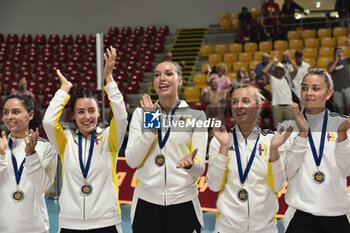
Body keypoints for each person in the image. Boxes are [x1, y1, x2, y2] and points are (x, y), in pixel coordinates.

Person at [42, 47, 128, 232]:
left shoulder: (109, 138)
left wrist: (109, 79)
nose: (87, 116)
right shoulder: (65, 141)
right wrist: (64, 91)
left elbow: (121, 117)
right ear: (73, 115)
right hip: (69, 224)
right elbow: (48, 122)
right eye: (80, 111)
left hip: (106, 222)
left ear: (98, 112)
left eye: (91, 110)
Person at [125, 61, 208, 233]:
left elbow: (200, 169)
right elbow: (132, 161)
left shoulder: (197, 116)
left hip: (184, 203)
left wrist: (191, 165)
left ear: (180, 80)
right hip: (146, 205)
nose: (162, 78)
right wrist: (150, 130)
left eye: (169, 73)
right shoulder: (141, 114)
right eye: (157, 74)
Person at [207, 84, 292, 233]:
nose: (239, 106)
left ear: (258, 107)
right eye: (234, 102)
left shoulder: (272, 140)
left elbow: (278, 186)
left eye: (245, 101)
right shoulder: (220, 141)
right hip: (226, 228)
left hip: (265, 229)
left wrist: (274, 150)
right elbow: (214, 185)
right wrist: (224, 147)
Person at [278, 69, 350, 233]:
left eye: (315, 88)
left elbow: (346, 169)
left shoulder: (342, 124)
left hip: (337, 213)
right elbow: (288, 171)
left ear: (328, 93)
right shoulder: (286, 127)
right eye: (304, 88)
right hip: (301, 214)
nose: (308, 93)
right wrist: (303, 135)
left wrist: (342, 138)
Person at [0, 94, 57, 233]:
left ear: (30, 115)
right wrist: (1, 157)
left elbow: (42, 186)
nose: (9, 117)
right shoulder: (1, 146)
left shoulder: (46, 148)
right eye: (5, 112)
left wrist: (31, 155)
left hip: (35, 228)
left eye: (16, 112)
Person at [262, 54, 298, 129]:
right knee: (279, 129)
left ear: (282, 71)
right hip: (277, 106)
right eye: (276, 69)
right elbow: (264, 71)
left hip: (288, 106)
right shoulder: (272, 79)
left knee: (291, 128)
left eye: (280, 69)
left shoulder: (287, 78)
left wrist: (290, 59)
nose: (278, 71)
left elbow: (296, 69)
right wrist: (273, 61)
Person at [327, 44, 350, 114]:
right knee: (340, 108)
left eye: (340, 52)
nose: (339, 53)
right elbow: (330, 71)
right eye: (337, 52)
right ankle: (342, 122)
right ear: (334, 54)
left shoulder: (346, 60)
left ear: (342, 53)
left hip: (347, 87)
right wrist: (336, 61)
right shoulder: (331, 63)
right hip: (337, 89)